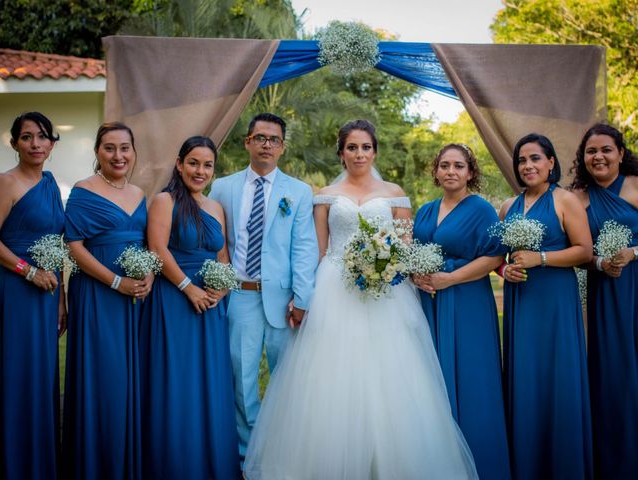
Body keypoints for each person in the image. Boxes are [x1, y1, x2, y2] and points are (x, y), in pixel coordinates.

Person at [244, 120, 478, 479]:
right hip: (334, 289)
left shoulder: (394, 193)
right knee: (330, 376)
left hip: (386, 292)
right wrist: (303, 296)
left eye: (366, 147)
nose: (359, 154)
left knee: (390, 376)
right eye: (352, 147)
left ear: (375, 151)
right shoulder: (324, 194)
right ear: (341, 153)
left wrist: (384, 265)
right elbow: (318, 250)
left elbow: (405, 246)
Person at [209, 112, 318, 461]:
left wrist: (302, 299)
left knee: (288, 382)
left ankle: (285, 452)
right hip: (239, 296)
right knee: (242, 382)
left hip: (284, 300)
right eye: (260, 138)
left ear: (282, 147)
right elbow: (215, 240)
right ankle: (249, 455)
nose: (267, 144)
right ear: (248, 142)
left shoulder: (299, 192)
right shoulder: (222, 187)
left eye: (274, 140)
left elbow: (304, 247)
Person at [141, 136, 240, 478]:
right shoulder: (164, 200)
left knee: (209, 384)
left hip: (210, 305)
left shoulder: (215, 208)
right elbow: (157, 249)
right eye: (194, 163)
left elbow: (223, 256)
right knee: (177, 382)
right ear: (180, 164)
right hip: (174, 301)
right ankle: (175, 464)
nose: (200, 171)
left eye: (207, 165)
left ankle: (209, 463)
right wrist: (189, 289)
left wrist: (220, 290)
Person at [413, 143, 511, 480]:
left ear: (470, 172)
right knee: (430, 373)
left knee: (470, 374)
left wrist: (450, 279)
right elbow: (413, 250)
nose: (451, 171)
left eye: (458, 166)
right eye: (444, 165)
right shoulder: (425, 210)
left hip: (467, 300)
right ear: (436, 172)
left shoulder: (482, 209)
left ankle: (479, 460)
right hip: (428, 300)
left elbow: (495, 256)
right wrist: (416, 274)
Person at [499, 133, 593, 479]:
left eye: (535, 158)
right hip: (521, 302)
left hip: (554, 302)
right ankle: (528, 465)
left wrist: (541, 258)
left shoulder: (565, 200)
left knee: (557, 377)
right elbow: (499, 256)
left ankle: (563, 465)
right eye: (522, 160)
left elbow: (585, 251)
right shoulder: (508, 206)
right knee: (525, 377)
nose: (528, 166)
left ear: (551, 162)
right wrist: (504, 268)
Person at [62, 122, 152, 479]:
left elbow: (146, 243)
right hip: (98, 296)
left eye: (125, 148)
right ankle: (95, 462)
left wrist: (147, 273)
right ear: (97, 153)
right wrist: (116, 281)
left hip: (135, 299)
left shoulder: (141, 193)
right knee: (103, 378)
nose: (119, 156)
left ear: (134, 151)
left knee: (130, 380)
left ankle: (126, 461)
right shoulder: (84, 191)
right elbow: (73, 244)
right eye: (110, 148)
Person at [0, 112, 64, 480]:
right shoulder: (5, 183)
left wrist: (62, 298)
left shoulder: (52, 184)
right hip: (14, 290)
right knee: (16, 373)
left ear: (52, 144)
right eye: (27, 137)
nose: (35, 144)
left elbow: (56, 244)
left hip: (46, 293)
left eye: (42, 137)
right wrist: (28, 271)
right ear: (14, 144)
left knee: (41, 376)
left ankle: (39, 462)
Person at [570, 123, 638, 479]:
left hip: (636, 284)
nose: (598, 157)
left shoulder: (635, 186)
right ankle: (616, 463)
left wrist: (634, 252)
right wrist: (599, 262)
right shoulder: (577, 197)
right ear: (583, 157)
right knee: (612, 376)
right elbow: (575, 248)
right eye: (591, 151)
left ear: (620, 154)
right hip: (605, 296)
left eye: (606, 150)